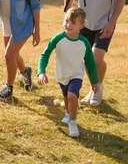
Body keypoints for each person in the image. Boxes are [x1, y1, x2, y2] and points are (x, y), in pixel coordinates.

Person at [37, 7, 99, 138]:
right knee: (66, 97)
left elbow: (90, 63)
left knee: (72, 96)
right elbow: (45, 54)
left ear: (81, 25)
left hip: (76, 75)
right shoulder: (58, 38)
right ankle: (67, 112)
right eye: (66, 21)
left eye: (72, 22)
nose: (68, 24)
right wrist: (41, 72)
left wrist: (94, 81)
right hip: (62, 75)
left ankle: (73, 121)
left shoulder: (84, 43)